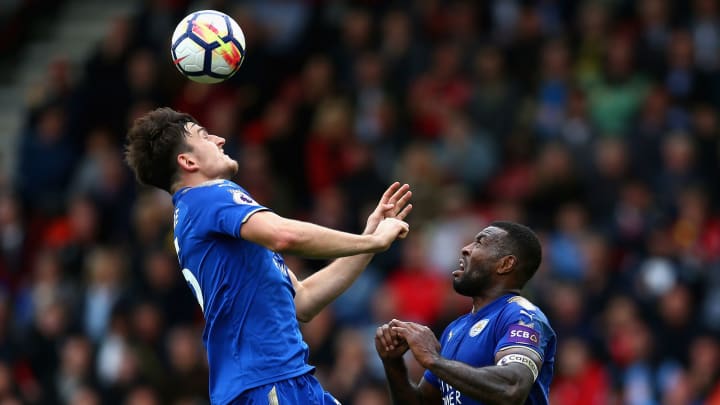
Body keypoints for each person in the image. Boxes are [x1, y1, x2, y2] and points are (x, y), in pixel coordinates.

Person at [124, 107, 412, 404]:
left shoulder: (204, 217)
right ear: (187, 161)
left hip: (287, 380)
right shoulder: (208, 196)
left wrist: (367, 239)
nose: (220, 139)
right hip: (266, 383)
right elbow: (283, 235)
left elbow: (303, 300)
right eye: (205, 136)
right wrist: (373, 242)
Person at [375, 221, 556, 405]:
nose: (465, 249)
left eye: (479, 243)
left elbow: (512, 388)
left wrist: (434, 360)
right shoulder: (455, 328)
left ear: (505, 264)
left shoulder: (523, 317)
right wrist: (393, 363)